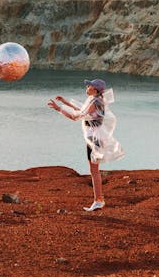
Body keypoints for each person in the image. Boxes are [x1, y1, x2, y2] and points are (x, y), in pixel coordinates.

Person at [47, 78, 124, 211]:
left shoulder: (95, 101)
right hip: (95, 137)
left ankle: (99, 200)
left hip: (95, 139)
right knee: (94, 170)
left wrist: (59, 108)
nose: (87, 87)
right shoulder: (95, 100)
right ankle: (98, 200)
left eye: (89, 86)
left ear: (95, 90)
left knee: (94, 171)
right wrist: (65, 103)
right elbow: (83, 111)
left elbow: (76, 117)